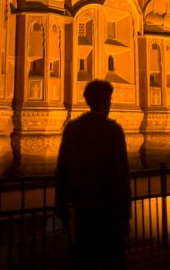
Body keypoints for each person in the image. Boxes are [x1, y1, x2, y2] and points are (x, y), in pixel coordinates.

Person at [55, 79, 132, 270]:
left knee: (85, 260)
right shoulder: (113, 131)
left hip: (83, 212)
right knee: (113, 261)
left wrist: (61, 209)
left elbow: (62, 170)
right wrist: (125, 216)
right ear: (106, 102)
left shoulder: (73, 129)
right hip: (109, 213)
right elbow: (121, 175)